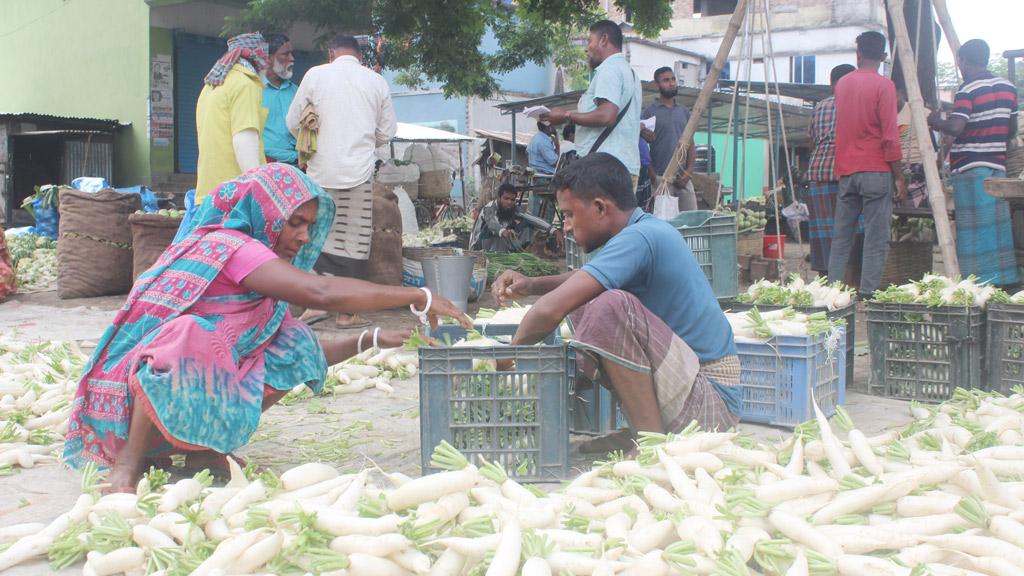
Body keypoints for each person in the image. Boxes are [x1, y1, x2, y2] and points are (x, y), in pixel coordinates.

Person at [62, 164, 470, 490]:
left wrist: (373, 338)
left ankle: (204, 448)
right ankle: (126, 466)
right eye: (293, 222)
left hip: (170, 397)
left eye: (308, 225)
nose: (302, 235)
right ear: (265, 213)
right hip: (128, 403)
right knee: (191, 336)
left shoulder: (259, 270)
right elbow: (322, 293)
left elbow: (300, 353)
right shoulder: (232, 247)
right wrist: (416, 295)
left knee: (289, 339)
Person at [492, 153, 740, 453]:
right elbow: (581, 279)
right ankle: (642, 431)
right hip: (691, 390)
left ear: (599, 208)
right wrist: (532, 285)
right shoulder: (641, 232)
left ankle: (650, 446)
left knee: (609, 306)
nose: (566, 227)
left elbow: (549, 309)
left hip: (710, 406)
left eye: (569, 215)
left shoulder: (640, 237)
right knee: (588, 298)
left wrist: (506, 358)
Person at [287, 33, 397, 328]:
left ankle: (313, 307)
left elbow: (292, 121)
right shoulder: (376, 82)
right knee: (354, 242)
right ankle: (346, 313)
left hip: (320, 173)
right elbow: (387, 132)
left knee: (318, 236)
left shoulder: (315, 75)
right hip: (358, 174)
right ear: (360, 56)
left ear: (331, 52)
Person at [929, 39, 1019, 287]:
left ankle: (977, 282)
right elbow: (1011, 129)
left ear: (963, 61)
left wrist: (935, 121)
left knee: (973, 228)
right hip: (996, 167)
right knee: (997, 225)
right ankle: (1003, 278)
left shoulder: (968, 89)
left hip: (970, 167)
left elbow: (956, 127)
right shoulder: (1008, 87)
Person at [826, 31, 906, 299]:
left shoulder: (842, 85)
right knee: (875, 236)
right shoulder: (885, 86)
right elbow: (890, 137)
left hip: (847, 170)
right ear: (883, 56)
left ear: (857, 53)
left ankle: (833, 289)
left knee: (841, 237)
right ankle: (867, 292)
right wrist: (899, 177)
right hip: (877, 169)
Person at [542, 20, 642, 188]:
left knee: (579, 214)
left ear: (604, 39)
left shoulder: (608, 69)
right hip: (622, 168)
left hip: (602, 169)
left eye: (589, 41)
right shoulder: (629, 72)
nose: (586, 48)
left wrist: (566, 116)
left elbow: (606, 116)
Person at [195, 32, 269, 205]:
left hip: (209, 194)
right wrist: (257, 192)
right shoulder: (245, 84)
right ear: (258, 57)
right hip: (235, 196)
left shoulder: (211, 86)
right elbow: (244, 140)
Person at [805, 64, 856, 274]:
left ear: (832, 83)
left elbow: (811, 140)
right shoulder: (856, 105)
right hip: (847, 172)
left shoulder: (821, 106)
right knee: (850, 230)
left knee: (823, 231)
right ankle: (849, 276)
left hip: (818, 172)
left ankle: (825, 277)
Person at [641, 66, 698, 211]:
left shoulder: (683, 111)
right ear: (657, 85)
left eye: (673, 79)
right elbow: (642, 146)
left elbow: (690, 143)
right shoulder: (649, 112)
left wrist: (688, 172)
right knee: (664, 223)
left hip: (684, 179)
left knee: (691, 223)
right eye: (666, 80)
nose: (671, 83)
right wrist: (653, 176)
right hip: (661, 179)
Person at [261, 33, 299, 166]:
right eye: (286, 54)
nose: (292, 59)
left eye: (292, 54)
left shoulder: (298, 92)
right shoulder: (253, 90)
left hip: (297, 166)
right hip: (265, 165)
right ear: (269, 58)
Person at [470, 183, 534, 252]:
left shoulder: (514, 208)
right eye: (506, 198)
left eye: (512, 199)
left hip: (500, 243)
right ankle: (494, 254)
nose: (509, 202)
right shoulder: (489, 208)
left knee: (527, 223)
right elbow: (492, 223)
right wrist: (502, 231)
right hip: (479, 246)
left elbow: (526, 217)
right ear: (499, 198)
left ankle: (519, 251)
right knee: (494, 229)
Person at [896, 88, 928, 208]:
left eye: (895, 96)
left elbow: (947, 131)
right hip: (893, 165)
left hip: (914, 165)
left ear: (902, 94)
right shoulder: (884, 110)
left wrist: (937, 162)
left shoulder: (915, 110)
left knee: (914, 207)